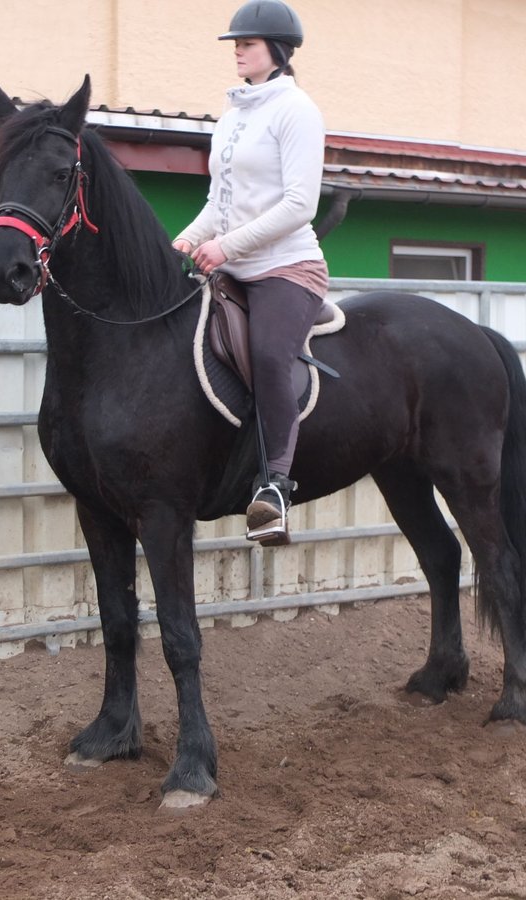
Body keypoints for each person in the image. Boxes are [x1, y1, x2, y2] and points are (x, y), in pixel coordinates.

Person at [173, 0, 327, 546]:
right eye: (235, 43)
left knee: (266, 354)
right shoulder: (232, 116)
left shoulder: (297, 110)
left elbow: (298, 205)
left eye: (249, 42)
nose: (237, 48)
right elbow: (219, 200)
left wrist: (226, 245)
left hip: (287, 267)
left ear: (279, 52)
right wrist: (189, 238)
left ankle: (276, 486)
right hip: (231, 262)